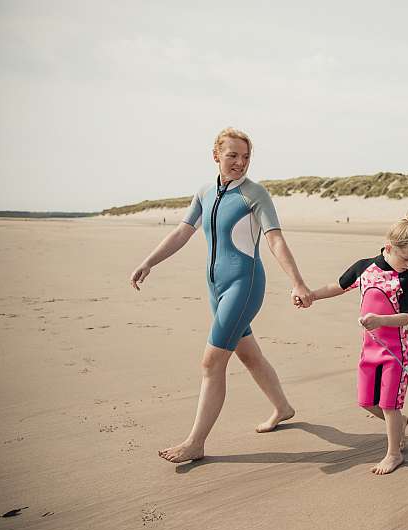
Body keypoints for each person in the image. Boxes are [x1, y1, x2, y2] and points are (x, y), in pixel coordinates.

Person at [129, 127, 312, 463]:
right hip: (216, 288)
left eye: (245, 157)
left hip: (244, 285)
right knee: (249, 356)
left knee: (212, 361)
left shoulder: (255, 194)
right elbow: (182, 232)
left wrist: (297, 282)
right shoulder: (204, 192)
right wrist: (149, 261)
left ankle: (195, 442)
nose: (240, 162)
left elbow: (275, 239)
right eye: (232, 155)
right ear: (216, 156)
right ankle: (282, 408)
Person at [305, 209, 408, 475]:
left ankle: (394, 454)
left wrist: (381, 320)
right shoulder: (364, 268)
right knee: (366, 402)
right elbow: (337, 286)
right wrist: (312, 295)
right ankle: (400, 423)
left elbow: (406, 318)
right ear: (388, 247)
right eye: (406, 257)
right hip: (369, 349)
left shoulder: (407, 279)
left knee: (389, 405)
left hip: (395, 352)